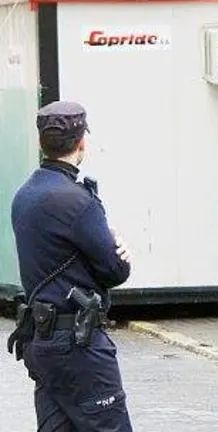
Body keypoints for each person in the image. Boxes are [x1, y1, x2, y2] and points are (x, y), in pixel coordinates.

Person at [8, 100, 134, 431]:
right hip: (79, 345)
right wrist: (117, 246)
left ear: (41, 143)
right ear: (81, 143)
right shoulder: (79, 202)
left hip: (42, 343)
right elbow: (115, 271)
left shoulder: (23, 196)